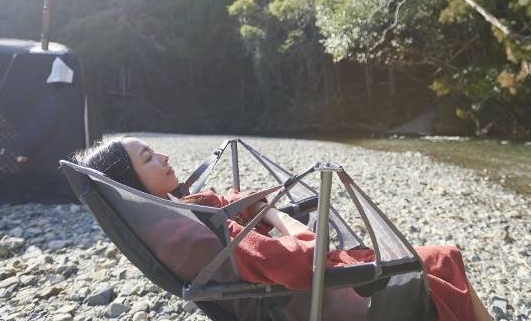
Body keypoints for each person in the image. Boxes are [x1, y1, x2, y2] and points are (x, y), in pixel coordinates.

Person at [72, 137, 493, 321]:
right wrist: (278, 216)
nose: (163, 156)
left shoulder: (169, 220)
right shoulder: (188, 231)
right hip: (324, 302)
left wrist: (243, 205)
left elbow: (230, 228)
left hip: (298, 295)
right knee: (442, 258)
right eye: (148, 158)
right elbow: (299, 264)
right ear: (131, 185)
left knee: (436, 260)